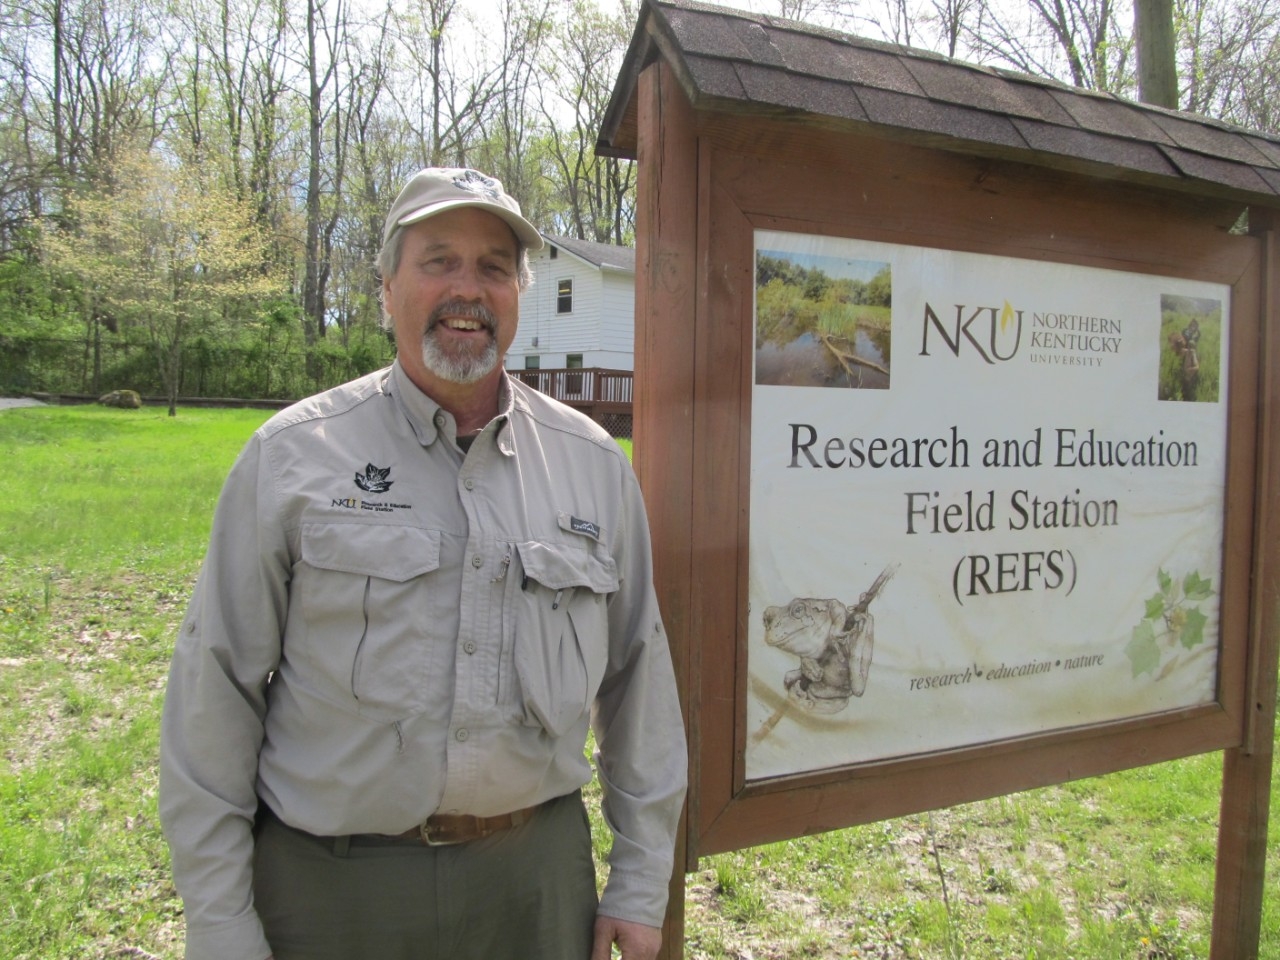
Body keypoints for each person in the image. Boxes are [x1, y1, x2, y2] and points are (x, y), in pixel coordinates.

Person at [159, 167, 688, 960]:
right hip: (330, 892)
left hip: (534, 888)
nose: (467, 289)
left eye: (494, 267)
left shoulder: (594, 466)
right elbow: (215, 693)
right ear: (385, 289)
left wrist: (642, 881)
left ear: (518, 294)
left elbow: (639, 681)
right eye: (438, 260)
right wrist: (220, 920)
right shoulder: (294, 458)